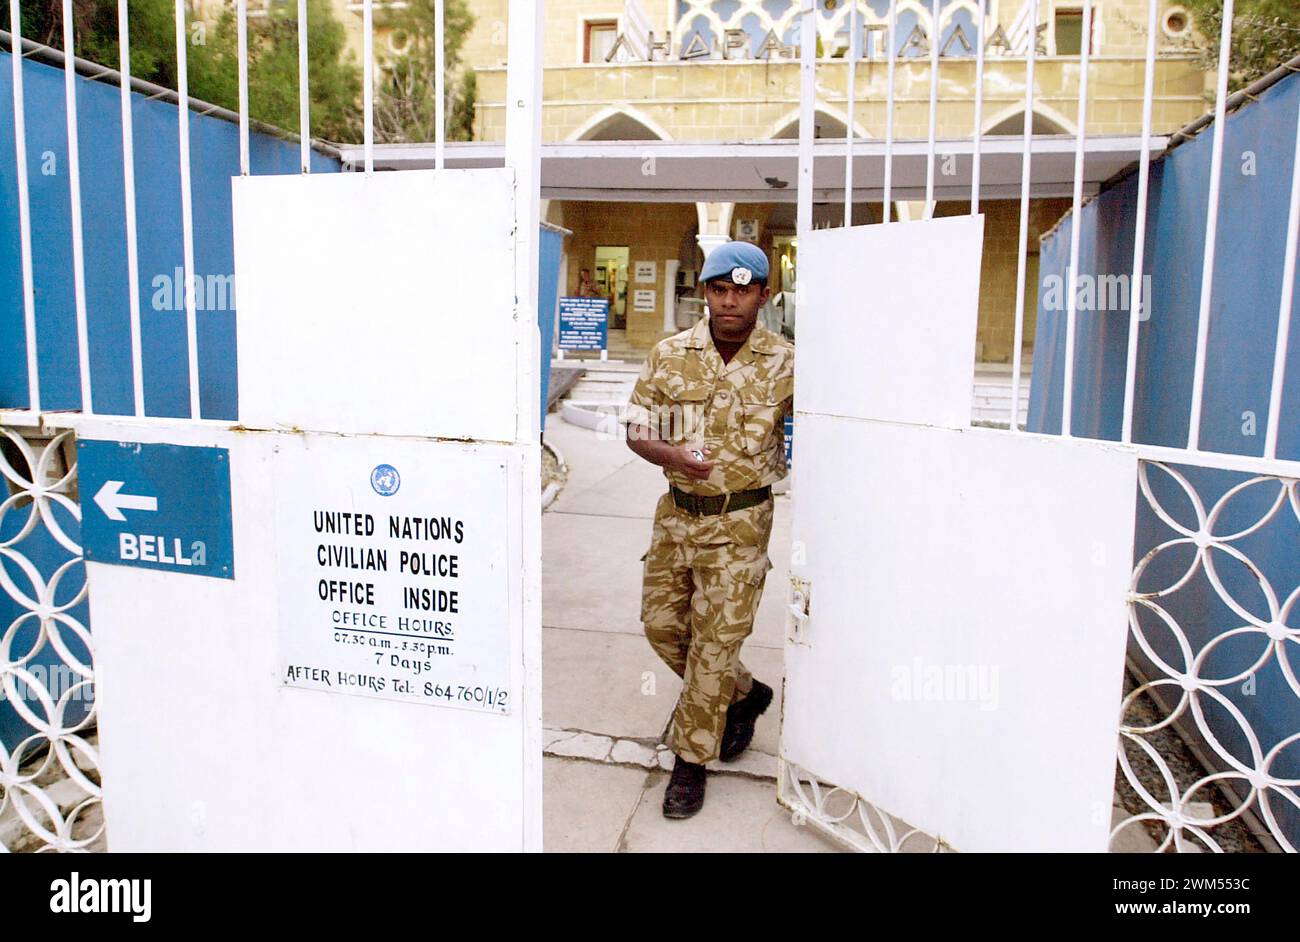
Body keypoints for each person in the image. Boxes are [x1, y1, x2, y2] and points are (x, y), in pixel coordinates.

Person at [623, 241, 794, 818]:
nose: (730, 301)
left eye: (743, 291)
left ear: (763, 296)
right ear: (706, 292)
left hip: (742, 523)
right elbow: (637, 430)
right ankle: (745, 695)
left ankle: (691, 762)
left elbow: (831, 432)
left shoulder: (789, 364)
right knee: (661, 627)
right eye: (720, 290)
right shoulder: (672, 355)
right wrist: (673, 453)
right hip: (676, 518)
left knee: (715, 647)